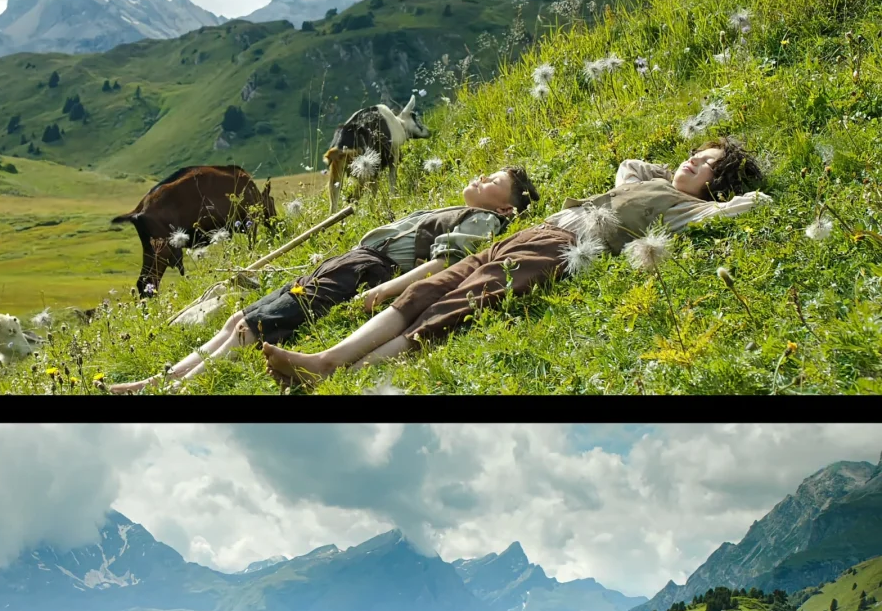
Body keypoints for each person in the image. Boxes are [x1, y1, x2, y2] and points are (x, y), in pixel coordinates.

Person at [261, 136, 770, 387]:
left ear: (715, 183)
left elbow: (748, 207)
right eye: (696, 153)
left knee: (458, 304)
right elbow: (629, 166)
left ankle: (329, 370)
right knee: (428, 290)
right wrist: (668, 173)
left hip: (557, 249)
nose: (694, 161)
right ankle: (327, 356)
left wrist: (723, 197)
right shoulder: (648, 182)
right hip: (538, 229)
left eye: (707, 165)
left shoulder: (688, 209)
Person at [109, 167, 540, 392]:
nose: (482, 179)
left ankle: (177, 389)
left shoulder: (482, 220)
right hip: (347, 261)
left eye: (495, 182)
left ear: (505, 210)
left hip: (363, 270)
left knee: (255, 328)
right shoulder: (456, 208)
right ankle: (160, 381)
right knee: (238, 321)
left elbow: (443, 265)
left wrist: (383, 289)